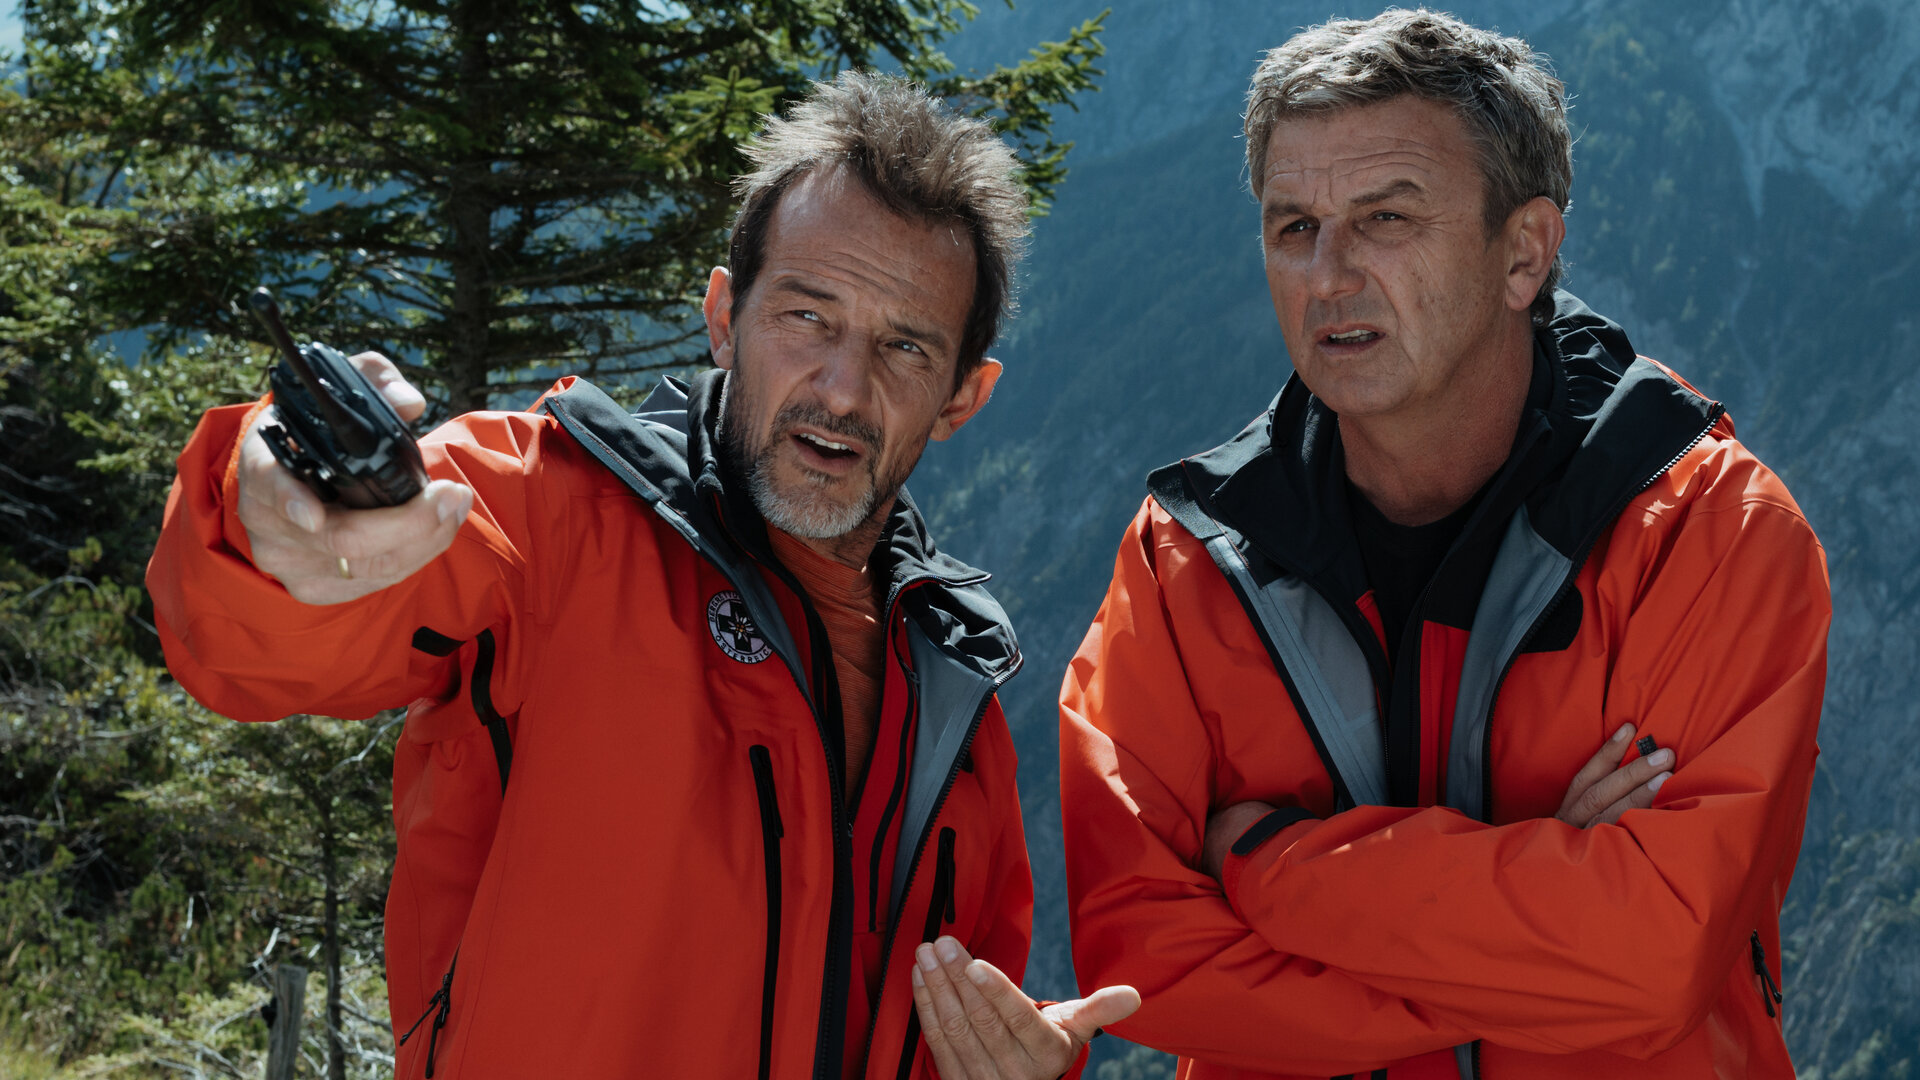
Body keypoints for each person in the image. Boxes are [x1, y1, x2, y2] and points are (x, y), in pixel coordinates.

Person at [149, 71, 1134, 1080]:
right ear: (723, 317)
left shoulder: (954, 682)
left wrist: (1020, 1068)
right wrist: (267, 519)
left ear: (962, 397)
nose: (844, 389)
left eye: (905, 348)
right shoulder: (552, 514)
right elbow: (245, 646)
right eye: (806, 316)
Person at [1058, 10, 1827, 1078]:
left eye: (1385, 218)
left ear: (1525, 254)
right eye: (1294, 227)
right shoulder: (1185, 562)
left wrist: (1270, 868)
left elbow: (1657, 957)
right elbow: (1143, 954)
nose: (1327, 276)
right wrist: (1542, 920)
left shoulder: (1710, 535)